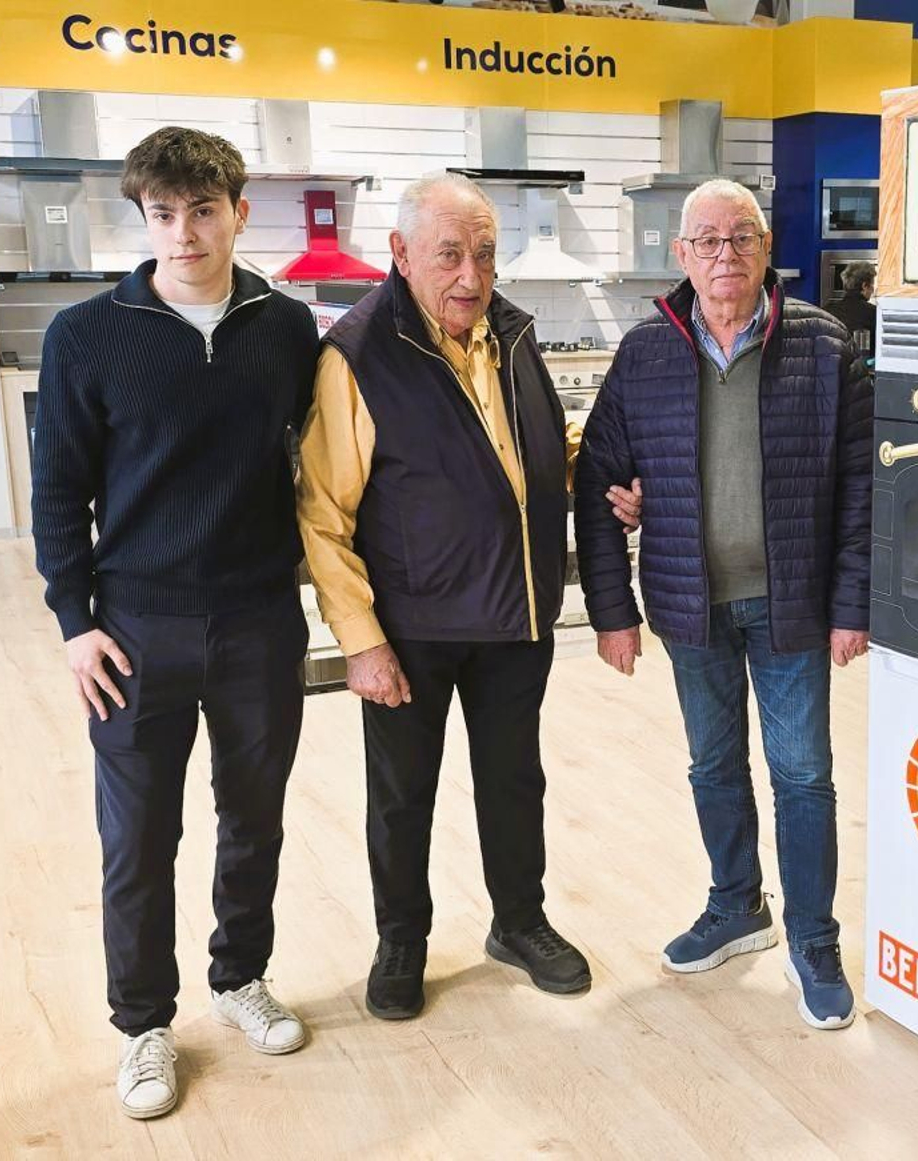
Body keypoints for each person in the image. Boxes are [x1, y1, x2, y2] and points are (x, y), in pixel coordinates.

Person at [295, 172, 639, 1020]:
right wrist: (361, 641)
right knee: (403, 793)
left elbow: (530, 449)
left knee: (514, 780)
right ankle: (401, 939)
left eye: (484, 254)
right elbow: (322, 514)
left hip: (515, 614)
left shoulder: (511, 334)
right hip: (412, 627)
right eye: (450, 255)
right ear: (401, 255)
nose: (471, 276)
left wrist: (598, 482)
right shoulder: (358, 353)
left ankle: (519, 921)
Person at [32, 127, 318, 1119]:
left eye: (204, 210)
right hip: (135, 629)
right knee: (139, 835)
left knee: (254, 816)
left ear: (238, 211)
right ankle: (143, 1024)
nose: (185, 233)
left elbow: (319, 470)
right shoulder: (87, 333)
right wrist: (76, 621)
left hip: (260, 621)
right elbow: (59, 493)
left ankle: (238, 977)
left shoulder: (288, 328)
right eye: (164, 214)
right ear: (143, 217)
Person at [575, 179, 873, 1030]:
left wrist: (853, 602)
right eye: (705, 241)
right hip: (689, 605)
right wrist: (612, 611)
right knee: (713, 765)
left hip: (792, 609)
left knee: (803, 775)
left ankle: (814, 938)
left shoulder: (822, 344)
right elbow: (599, 480)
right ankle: (737, 902)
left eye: (739, 238)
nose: (724, 256)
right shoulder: (645, 353)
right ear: (681, 256)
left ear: (766, 245)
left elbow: (860, 489)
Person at [824, 259, 876, 360]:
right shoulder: (873, 313)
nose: (873, 290)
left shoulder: (827, 310)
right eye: (872, 284)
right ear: (864, 286)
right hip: (859, 371)